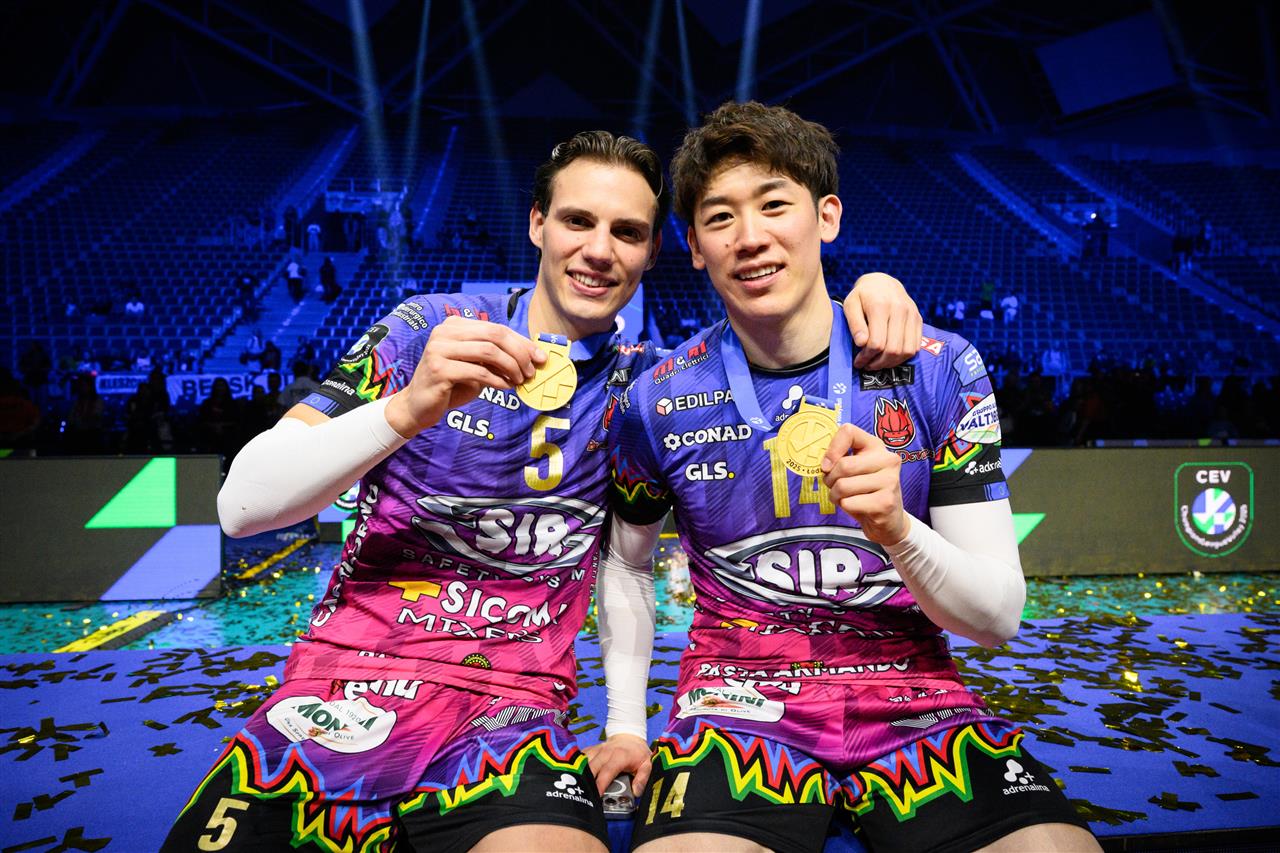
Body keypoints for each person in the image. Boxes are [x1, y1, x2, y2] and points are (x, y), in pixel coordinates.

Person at [164, 129, 921, 853]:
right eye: (577, 221)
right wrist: (408, 408)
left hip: (512, 715)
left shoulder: (645, 389)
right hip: (339, 684)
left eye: (627, 232)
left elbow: (628, 562)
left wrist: (872, 290)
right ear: (537, 224)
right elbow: (243, 506)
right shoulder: (425, 331)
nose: (599, 249)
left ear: (652, 252)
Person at [602, 101, 1098, 853]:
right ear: (696, 248)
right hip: (736, 708)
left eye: (775, 205)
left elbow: (997, 618)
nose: (750, 236)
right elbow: (626, 562)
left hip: (918, 706)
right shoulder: (655, 398)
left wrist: (899, 530)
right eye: (720, 217)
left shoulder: (940, 369)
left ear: (826, 217)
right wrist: (625, 725)